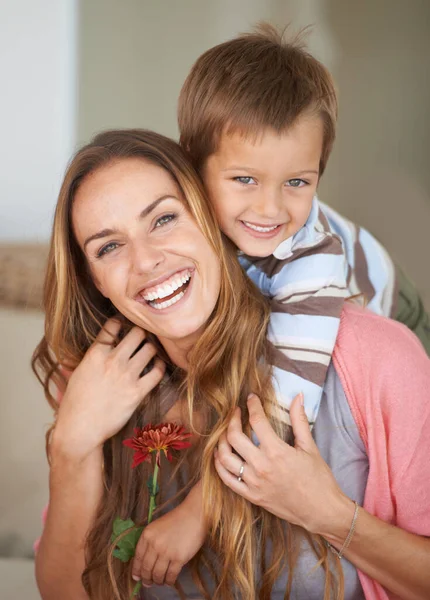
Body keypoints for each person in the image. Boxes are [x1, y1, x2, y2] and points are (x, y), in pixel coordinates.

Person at [32, 129, 430, 600]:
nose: (146, 261)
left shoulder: (374, 357)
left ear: (211, 218)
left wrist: (330, 516)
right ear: (94, 279)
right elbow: (65, 591)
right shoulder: (94, 388)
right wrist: (71, 447)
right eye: (109, 247)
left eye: (163, 219)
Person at [177, 23, 430, 428]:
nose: (270, 208)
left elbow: (290, 406)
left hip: (400, 312)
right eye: (245, 179)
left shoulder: (313, 259)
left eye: (297, 182)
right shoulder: (178, 209)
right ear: (192, 162)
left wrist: (252, 462)